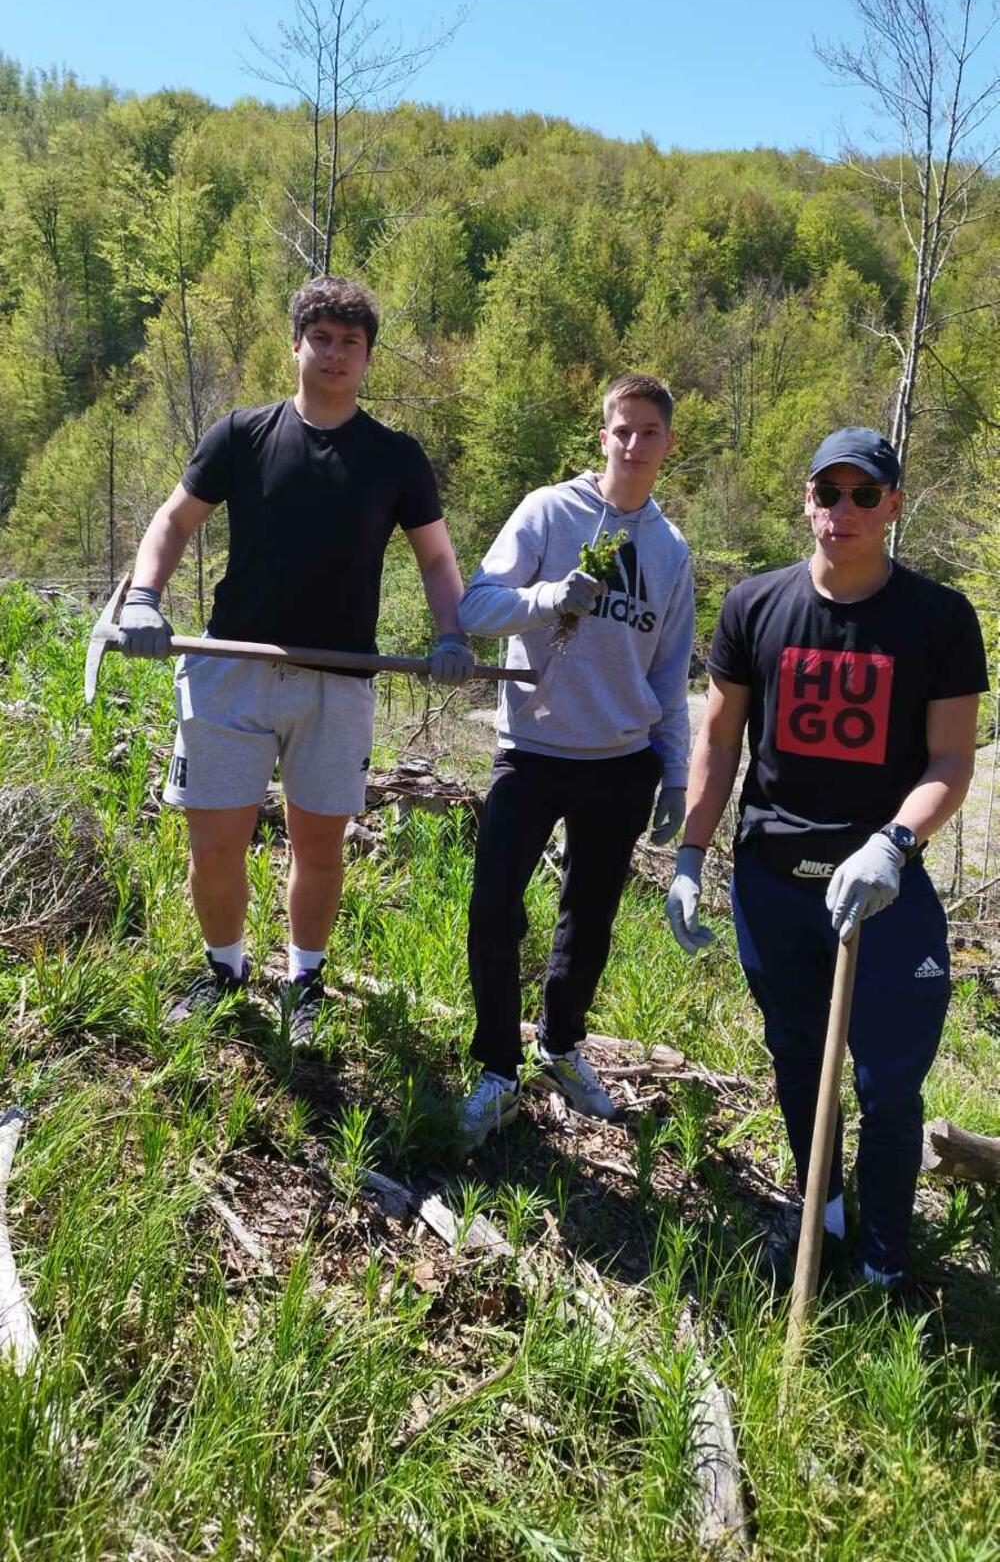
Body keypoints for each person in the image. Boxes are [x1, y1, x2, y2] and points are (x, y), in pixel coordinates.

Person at [666, 427, 988, 1291]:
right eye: (827, 492)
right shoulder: (754, 606)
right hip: (774, 883)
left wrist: (894, 844)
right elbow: (720, 735)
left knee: (888, 1083)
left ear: (890, 505)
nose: (842, 510)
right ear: (806, 499)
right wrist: (691, 854)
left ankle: (885, 1253)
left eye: (863, 495)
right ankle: (822, 1210)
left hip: (885, 891)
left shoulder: (939, 619)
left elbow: (952, 762)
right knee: (800, 1059)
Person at [117, 275, 474, 1041]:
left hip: (337, 682)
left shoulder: (396, 458)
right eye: (323, 338)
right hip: (230, 670)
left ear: (369, 357)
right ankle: (225, 970)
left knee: (319, 847)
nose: (336, 353)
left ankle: (305, 982)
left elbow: (438, 563)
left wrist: (451, 634)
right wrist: (144, 599)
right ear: (297, 346)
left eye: (352, 342)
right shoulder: (241, 435)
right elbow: (172, 523)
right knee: (216, 844)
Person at [456, 373, 695, 1148]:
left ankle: (559, 1046)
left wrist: (677, 771)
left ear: (666, 443)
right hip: (530, 750)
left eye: (649, 432)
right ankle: (496, 1069)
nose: (633, 444)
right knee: (494, 905)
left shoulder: (669, 549)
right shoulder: (547, 511)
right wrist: (552, 596)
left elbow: (671, 672)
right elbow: (476, 607)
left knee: (587, 919)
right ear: (603, 436)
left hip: (621, 763)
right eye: (621, 430)